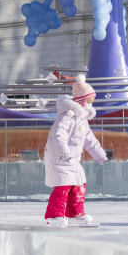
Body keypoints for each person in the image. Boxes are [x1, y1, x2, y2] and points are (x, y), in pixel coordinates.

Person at [43, 74, 108, 227]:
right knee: (62, 187)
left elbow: (89, 140)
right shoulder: (66, 117)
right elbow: (59, 136)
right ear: (81, 101)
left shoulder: (82, 120)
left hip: (72, 160)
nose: (91, 104)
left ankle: (75, 214)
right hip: (59, 158)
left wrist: (100, 155)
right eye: (89, 100)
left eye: (93, 101)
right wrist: (64, 153)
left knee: (79, 185)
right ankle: (54, 216)